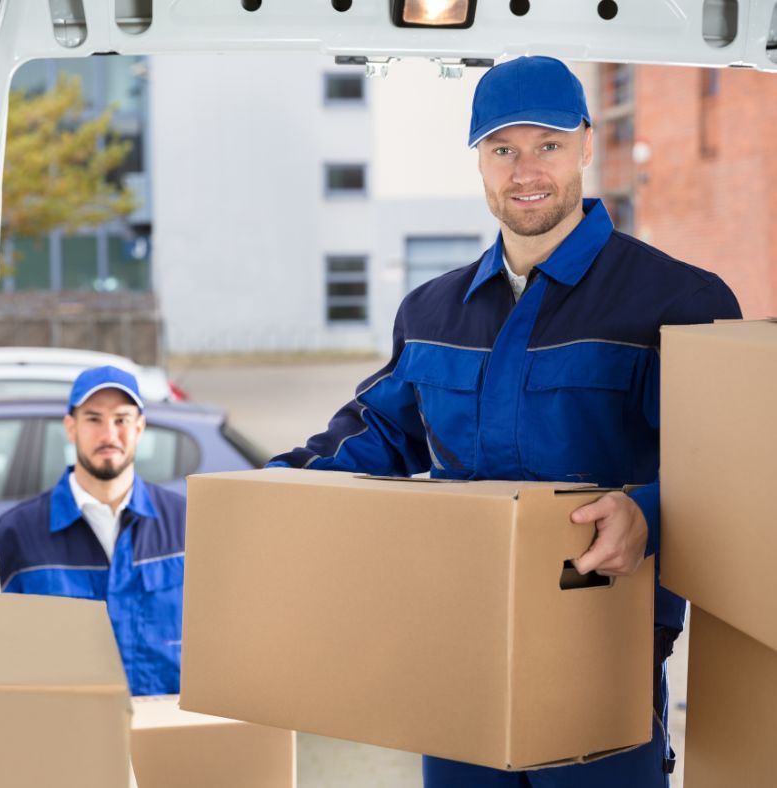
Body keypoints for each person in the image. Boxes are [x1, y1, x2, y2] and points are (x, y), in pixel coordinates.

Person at [269, 56, 741, 787]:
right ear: (478, 162)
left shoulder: (675, 301)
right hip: (461, 653)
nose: (525, 172)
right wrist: (270, 494)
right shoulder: (430, 313)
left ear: (588, 143)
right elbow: (379, 436)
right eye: (502, 150)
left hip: (604, 650)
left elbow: (730, 471)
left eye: (547, 145)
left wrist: (646, 514)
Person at [0, 365, 186, 697]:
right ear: (71, 428)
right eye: (94, 419)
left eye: (122, 420)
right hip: (67, 737)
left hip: (167, 735)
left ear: (140, 427)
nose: (109, 435)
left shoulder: (186, 523)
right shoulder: (17, 534)